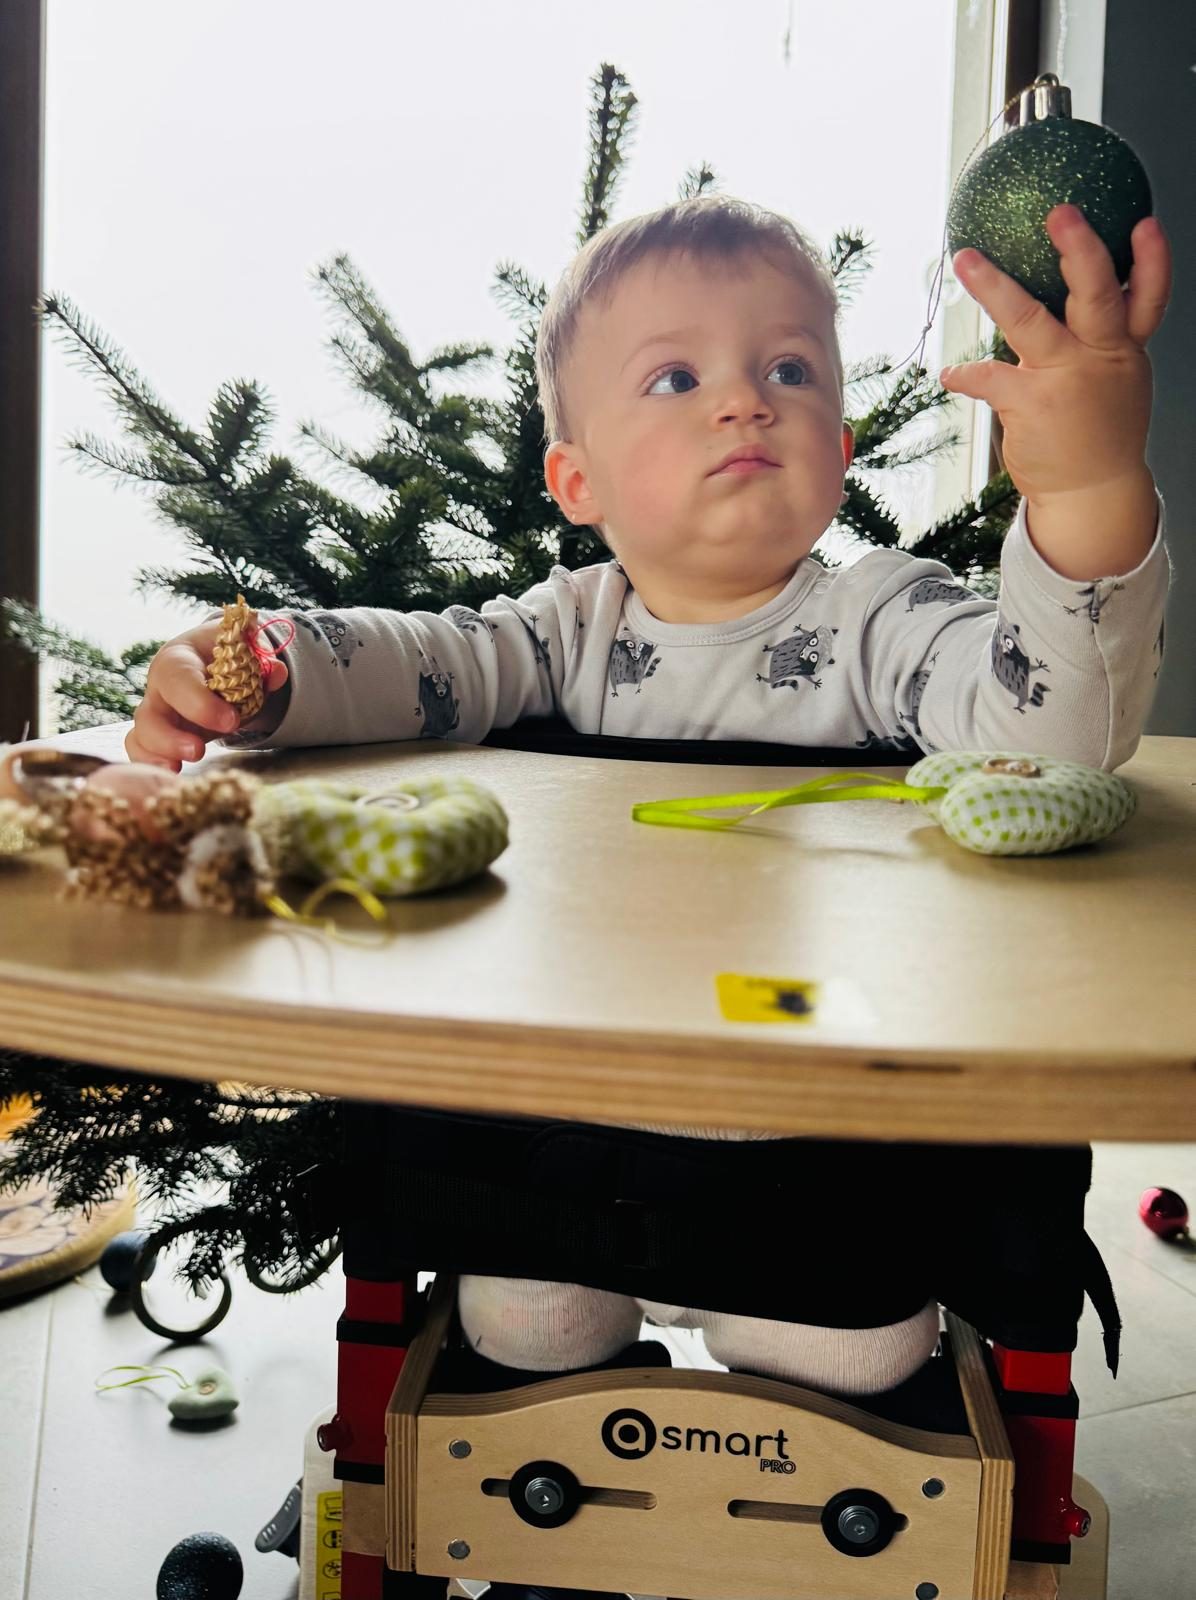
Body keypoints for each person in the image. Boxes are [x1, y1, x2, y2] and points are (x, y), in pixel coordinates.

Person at [17, 195, 1173, 1393]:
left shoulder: (883, 621)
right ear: (577, 480)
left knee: (859, 1348)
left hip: (816, 1157)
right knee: (523, 1325)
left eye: (787, 369)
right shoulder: (566, 630)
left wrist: (1086, 487)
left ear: (838, 451)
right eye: (675, 378)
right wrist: (267, 670)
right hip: (559, 1150)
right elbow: (423, 664)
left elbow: (1055, 744)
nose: (743, 400)